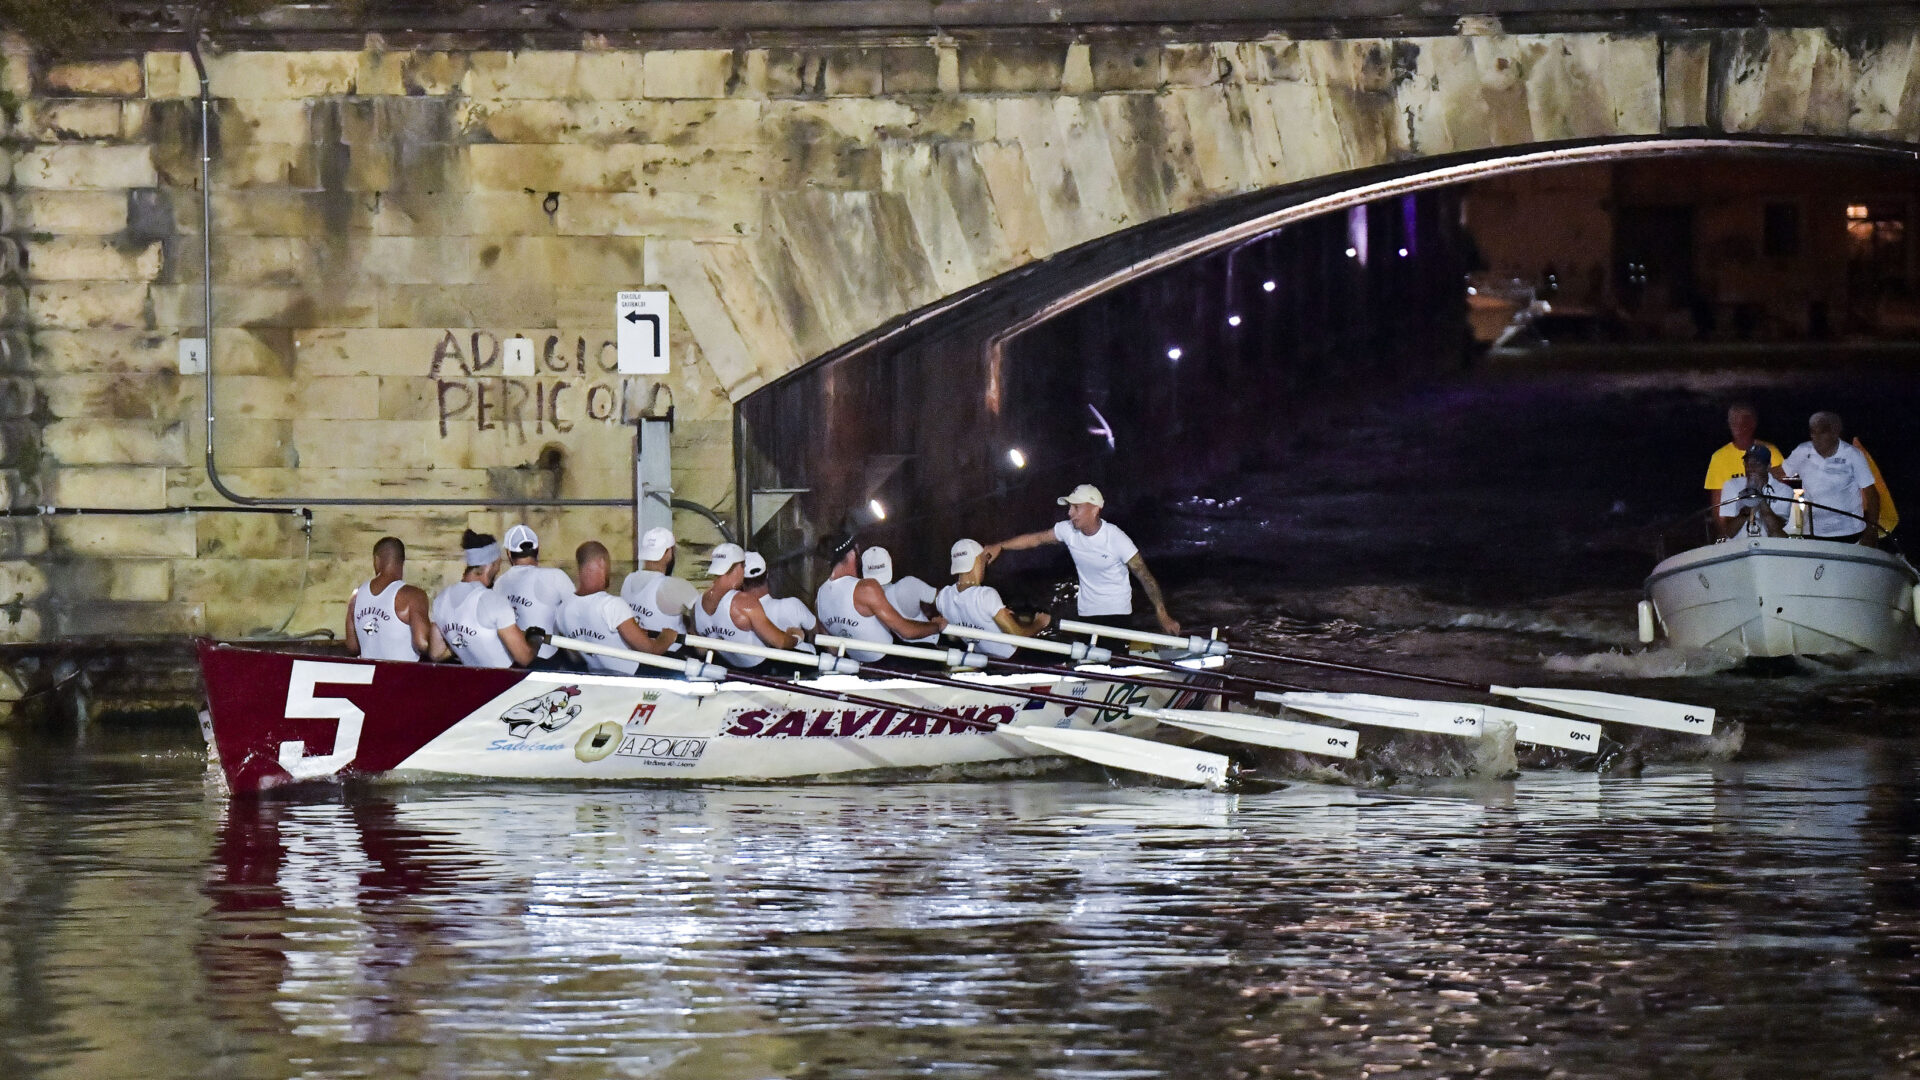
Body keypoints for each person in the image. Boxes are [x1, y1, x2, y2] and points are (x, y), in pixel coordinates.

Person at [985, 484, 1179, 635]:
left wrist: (1162, 615)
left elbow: (1145, 576)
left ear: (1095, 509)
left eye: (1076, 507)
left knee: (1110, 668)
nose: (1070, 513)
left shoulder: (1116, 538)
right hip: (1086, 613)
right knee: (1087, 666)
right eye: (1070, 507)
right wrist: (1001, 546)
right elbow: (1035, 539)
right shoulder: (1068, 530)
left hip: (1116, 614)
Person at [814, 532, 946, 662]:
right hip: (889, 661)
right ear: (853, 554)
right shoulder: (866, 588)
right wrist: (936, 626)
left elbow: (832, 648)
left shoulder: (819, 597)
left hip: (857, 664)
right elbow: (907, 631)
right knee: (941, 660)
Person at [554, 541, 680, 674]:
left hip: (597, 675)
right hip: (634, 677)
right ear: (602, 563)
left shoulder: (562, 610)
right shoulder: (611, 605)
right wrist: (667, 636)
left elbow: (575, 657)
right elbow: (651, 650)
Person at [428, 530, 533, 668]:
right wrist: (535, 640)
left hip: (473, 682)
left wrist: (466, 641)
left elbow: (436, 653)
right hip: (505, 683)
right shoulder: (493, 601)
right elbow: (524, 657)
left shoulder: (441, 600)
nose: (499, 569)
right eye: (498, 564)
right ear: (490, 565)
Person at [691, 543, 803, 668]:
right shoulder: (744, 602)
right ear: (738, 567)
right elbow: (781, 642)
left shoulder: (697, 605)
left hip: (730, 669)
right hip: (763, 669)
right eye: (743, 566)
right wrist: (797, 637)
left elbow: (700, 649)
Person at [935, 539, 1051, 657]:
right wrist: (1040, 622)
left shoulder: (943, 598)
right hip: (1013, 659)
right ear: (977, 561)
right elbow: (1018, 637)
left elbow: (970, 615)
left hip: (984, 658)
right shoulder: (985, 595)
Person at [1783, 411, 1881, 545]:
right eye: (1813, 432)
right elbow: (1780, 473)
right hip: (1812, 532)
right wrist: (1755, 468)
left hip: (1849, 532)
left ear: (1835, 432)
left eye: (1822, 432)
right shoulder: (1802, 450)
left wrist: (1871, 530)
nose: (1816, 437)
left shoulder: (1852, 454)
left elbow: (1872, 495)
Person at [492, 524, 575, 664]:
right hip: (548, 661)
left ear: (509, 553)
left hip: (511, 661)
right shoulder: (556, 577)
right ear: (537, 549)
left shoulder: (500, 583)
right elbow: (577, 615)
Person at [345, 536, 431, 661]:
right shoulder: (413, 595)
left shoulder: (356, 596)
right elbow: (423, 643)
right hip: (402, 677)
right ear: (402, 562)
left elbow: (352, 647)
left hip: (370, 677)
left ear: (376, 560)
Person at [1704, 403, 1784, 518]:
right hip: (1735, 522)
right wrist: (1724, 534)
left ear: (1753, 423)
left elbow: (1784, 493)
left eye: (1744, 422)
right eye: (1734, 422)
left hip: (1767, 518)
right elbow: (1718, 505)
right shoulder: (1719, 457)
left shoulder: (1771, 452)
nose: (1739, 427)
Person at [620, 526, 700, 640]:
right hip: (671, 654)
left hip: (636, 652)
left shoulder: (628, 580)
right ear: (668, 553)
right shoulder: (676, 586)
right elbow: (706, 616)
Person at [1717, 445, 1795, 541]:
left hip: (1769, 547)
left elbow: (1775, 531)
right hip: (1738, 547)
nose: (1750, 468)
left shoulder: (1784, 490)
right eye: (1747, 463)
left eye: (1757, 464)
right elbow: (1729, 532)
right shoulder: (1731, 485)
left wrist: (1759, 496)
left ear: (1768, 466)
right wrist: (1747, 502)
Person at [863, 545, 939, 643]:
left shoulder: (862, 600)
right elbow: (943, 601)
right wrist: (940, 625)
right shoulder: (908, 584)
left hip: (894, 653)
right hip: (930, 646)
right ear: (891, 565)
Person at [744, 552, 818, 649]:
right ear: (767, 574)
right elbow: (818, 633)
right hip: (803, 660)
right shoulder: (793, 605)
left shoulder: (740, 616)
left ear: (742, 581)